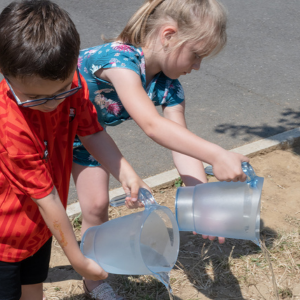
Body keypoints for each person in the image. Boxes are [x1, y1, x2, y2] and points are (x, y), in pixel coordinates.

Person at [73, 0, 250, 297]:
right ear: (168, 35)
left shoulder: (169, 86)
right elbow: (152, 126)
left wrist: (201, 200)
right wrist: (218, 155)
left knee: (95, 207)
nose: (197, 66)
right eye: (195, 55)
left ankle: (94, 282)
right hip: (39, 131)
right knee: (28, 209)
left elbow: (180, 142)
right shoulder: (119, 60)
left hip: (87, 138)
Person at [0, 1, 148, 300]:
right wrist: (78, 260)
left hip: (40, 228)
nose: (52, 103)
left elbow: (91, 131)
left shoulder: (71, 83)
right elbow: (48, 197)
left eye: (61, 91)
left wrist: (125, 171)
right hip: (4, 238)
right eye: (34, 97)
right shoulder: (9, 126)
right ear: (5, 73)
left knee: (33, 286)